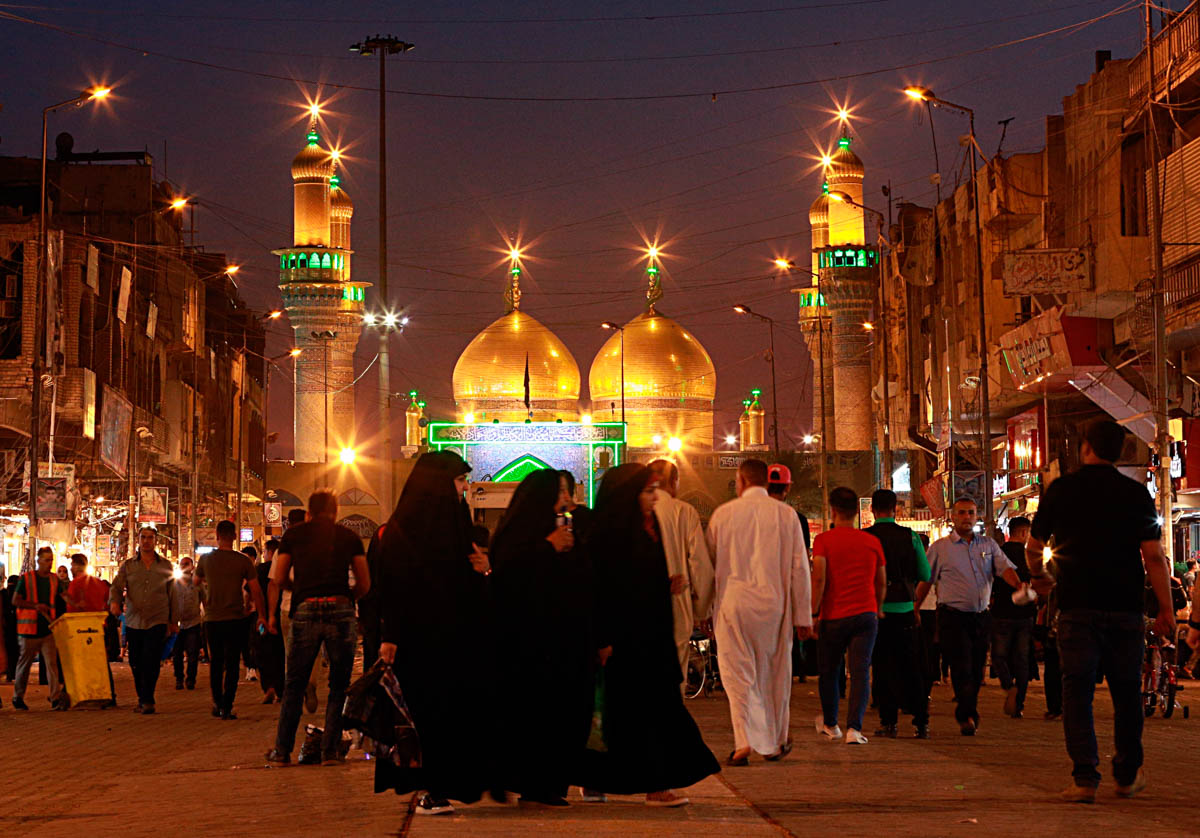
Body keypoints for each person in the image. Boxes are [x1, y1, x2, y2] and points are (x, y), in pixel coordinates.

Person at [1028, 420, 1174, 803]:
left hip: (1077, 608)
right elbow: (1154, 557)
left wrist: (1042, 580)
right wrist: (1166, 609)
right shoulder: (1135, 493)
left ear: (1086, 445)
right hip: (1126, 609)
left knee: (1077, 693)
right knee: (1127, 693)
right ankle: (1126, 775)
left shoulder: (1061, 490)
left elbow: (1033, 547)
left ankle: (1084, 779)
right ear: (1121, 451)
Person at [579, 463, 720, 807]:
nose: (654, 498)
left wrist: (665, 584)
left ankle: (637, 781)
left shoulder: (649, 528)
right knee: (625, 716)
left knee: (652, 714)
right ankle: (640, 784)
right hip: (623, 644)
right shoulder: (606, 532)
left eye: (654, 489)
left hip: (651, 639)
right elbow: (600, 590)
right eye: (646, 490)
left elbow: (640, 579)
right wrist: (601, 639)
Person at [374, 452, 492, 814]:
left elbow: (466, 581)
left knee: (449, 713)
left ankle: (444, 785)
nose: (464, 489)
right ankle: (432, 787)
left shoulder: (456, 524)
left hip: (453, 638)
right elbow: (392, 586)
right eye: (459, 482)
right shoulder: (403, 530)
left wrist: (485, 570)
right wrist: (390, 635)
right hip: (417, 640)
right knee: (426, 714)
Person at [490, 468, 594, 808]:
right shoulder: (516, 534)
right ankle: (533, 784)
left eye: (568, 491)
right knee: (533, 715)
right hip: (527, 645)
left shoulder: (566, 528)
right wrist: (546, 547)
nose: (566, 499)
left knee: (564, 714)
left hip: (563, 642)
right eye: (560, 492)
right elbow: (509, 576)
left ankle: (552, 783)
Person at [707, 458, 810, 764]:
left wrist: (702, 607)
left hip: (732, 604)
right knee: (775, 675)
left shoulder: (722, 515)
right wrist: (803, 616)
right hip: (774, 607)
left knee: (738, 676)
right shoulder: (786, 515)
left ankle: (743, 742)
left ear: (740, 481)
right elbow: (799, 569)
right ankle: (774, 742)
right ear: (767, 481)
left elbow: (707, 566)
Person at [266, 490, 368, 767]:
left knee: (294, 684)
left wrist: (299, 591)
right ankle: (330, 752)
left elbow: (278, 576)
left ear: (309, 512)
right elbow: (364, 582)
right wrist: (347, 598)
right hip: (340, 607)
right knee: (338, 685)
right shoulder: (349, 537)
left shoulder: (294, 536)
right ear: (335, 511)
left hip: (306, 609)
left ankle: (282, 751)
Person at [915, 498, 1026, 736]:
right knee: (961, 665)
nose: (967, 517)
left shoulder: (988, 546)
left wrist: (1018, 585)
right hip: (952, 617)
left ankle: (969, 711)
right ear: (953, 517)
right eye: (962, 513)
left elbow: (1005, 569)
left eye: (971, 513)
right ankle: (966, 716)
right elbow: (927, 579)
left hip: (981, 617)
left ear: (976, 516)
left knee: (977, 670)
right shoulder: (940, 548)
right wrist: (915, 606)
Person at [810, 487, 885, 745]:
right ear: (857, 513)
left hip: (833, 615)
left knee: (830, 671)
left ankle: (831, 725)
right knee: (860, 671)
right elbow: (881, 581)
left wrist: (813, 612)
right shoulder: (872, 542)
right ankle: (854, 728)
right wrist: (879, 606)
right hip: (865, 614)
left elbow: (819, 578)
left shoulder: (823, 541)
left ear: (833, 511)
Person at [865, 489, 931, 739]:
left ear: (872, 509)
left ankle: (888, 722)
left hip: (876, 611)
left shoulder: (866, 537)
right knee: (911, 667)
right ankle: (920, 721)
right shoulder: (910, 536)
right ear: (896, 510)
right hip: (904, 610)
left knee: (882, 666)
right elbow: (925, 574)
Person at [647, 459, 715, 686]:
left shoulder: (636, 511)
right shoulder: (683, 511)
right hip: (676, 600)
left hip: (641, 602)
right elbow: (700, 565)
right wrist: (702, 609)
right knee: (675, 675)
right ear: (675, 481)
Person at [197, 522, 266, 720]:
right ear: (234, 536)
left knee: (216, 661)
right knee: (233, 662)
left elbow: (194, 582)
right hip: (236, 618)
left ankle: (217, 702)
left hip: (212, 618)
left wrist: (209, 588)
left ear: (217, 536)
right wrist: (260, 614)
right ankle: (228, 705)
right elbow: (256, 590)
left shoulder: (206, 560)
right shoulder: (243, 561)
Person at [109, 527, 177, 714]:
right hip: (134, 620)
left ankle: (148, 699)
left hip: (158, 619)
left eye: (150, 538)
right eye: (143, 537)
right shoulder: (129, 566)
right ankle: (143, 696)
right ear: (138, 540)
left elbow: (173, 594)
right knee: (136, 661)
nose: (147, 541)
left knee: (152, 659)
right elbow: (116, 586)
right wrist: (115, 602)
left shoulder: (165, 566)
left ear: (156, 541)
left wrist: (173, 621)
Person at [991, 516, 1037, 719]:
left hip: (1002, 611)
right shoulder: (1030, 556)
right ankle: (1019, 704)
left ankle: (1009, 686)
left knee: (999, 655)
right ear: (1024, 532)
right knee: (1022, 659)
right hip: (1025, 614)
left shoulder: (999, 554)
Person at [12, 546, 67, 710]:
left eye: (51, 560)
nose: (49, 563)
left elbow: (64, 595)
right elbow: (15, 600)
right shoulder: (26, 578)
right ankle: (17, 697)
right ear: (38, 560)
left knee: (52, 665)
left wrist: (76, 603)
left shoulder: (53, 579)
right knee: (24, 665)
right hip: (28, 631)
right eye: (46, 560)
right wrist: (35, 606)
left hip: (47, 629)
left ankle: (55, 697)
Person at [256, 538, 285, 704]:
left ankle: (268, 687)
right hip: (279, 618)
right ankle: (281, 689)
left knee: (262, 651)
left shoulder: (259, 570)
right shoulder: (284, 568)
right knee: (280, 652)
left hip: (262, 620)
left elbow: (251, 593)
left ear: (269, 552)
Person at [171, 556, 202, 690]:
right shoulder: (173, 584)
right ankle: (179, 678)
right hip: (177, 624)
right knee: (177, 654)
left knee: (192, 653)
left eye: (186, 564)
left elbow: (205, 600)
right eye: (182, 564)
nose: (184, 567)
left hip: (193, 623)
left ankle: (191, 679)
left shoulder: (197, 584)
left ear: (192, 567)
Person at [766, 464, 811, 550]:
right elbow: (804, 557)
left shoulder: (753, 515)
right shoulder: (799, 519)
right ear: (787, 487)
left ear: (766, 485)